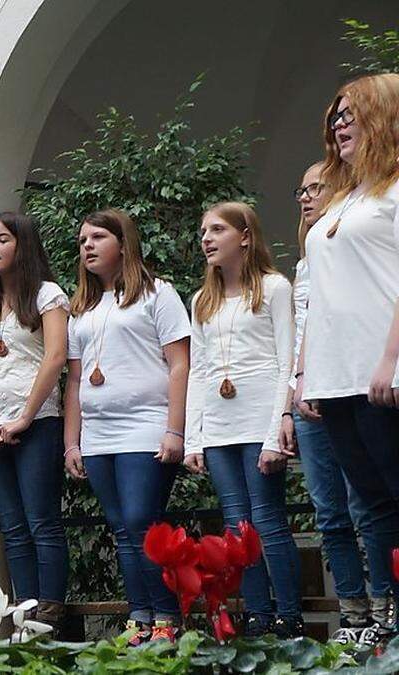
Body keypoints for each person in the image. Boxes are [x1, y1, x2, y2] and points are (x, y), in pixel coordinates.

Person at [296, 73, 399, 640]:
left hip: (380, 372)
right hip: (336, 379)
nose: (338, 124)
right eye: (334, 115)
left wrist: (390, 361)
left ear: (383, 115)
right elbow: (321, 295)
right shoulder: (343, 198)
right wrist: (309, 372)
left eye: (350, 113)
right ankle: (390, 617)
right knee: (375, 506)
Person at [63, 209, 189, 645]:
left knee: (140, 520)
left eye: (98, 237)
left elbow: (180, 364)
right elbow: (77, 379)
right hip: (99, 434)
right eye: (82, 240)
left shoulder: (158, 295)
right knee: (121, 527)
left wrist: (175, 430)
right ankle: (141, 617)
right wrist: (70, 442)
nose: (88, 246)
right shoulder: (81, 308)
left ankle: (168, 620)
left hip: (146, 426)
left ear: (124, 243)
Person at [280, 162, 389, 645]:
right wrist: (295, 391)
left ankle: (386, 607)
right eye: (300, 189)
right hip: (314, 391)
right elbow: (305, 330)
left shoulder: (359, 243)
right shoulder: (307, 263)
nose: (305, 197)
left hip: (355, 383)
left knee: (369, 505)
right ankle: (354, 614)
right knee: (330, 513)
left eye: (315, 188)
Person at [182, 202, 303, 638]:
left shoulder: (274, 288)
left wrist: (275, 432)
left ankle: (289, 615)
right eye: (203, 232)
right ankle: (257, 614)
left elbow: (286, 360)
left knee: (267, 520)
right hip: (219, 425)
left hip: (259, 420)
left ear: (245, 236)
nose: (207, 239)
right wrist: (194, 438)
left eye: (217, 230)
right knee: (236, 525)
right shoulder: (201, 299)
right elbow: (199, 370)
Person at [0, 212, 69, 631]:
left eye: (2, 240)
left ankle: (51, 610)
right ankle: (24, 613)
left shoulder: (47, 295)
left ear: (22, 246)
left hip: (38, 422)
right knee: (12, 524)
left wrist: (26, 416)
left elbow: (56, 357)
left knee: (42, 519)